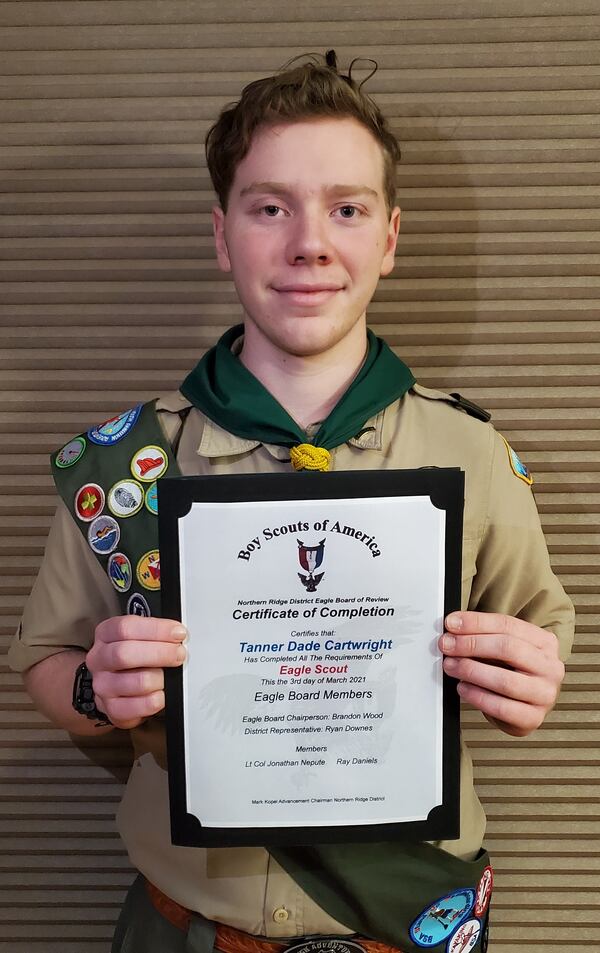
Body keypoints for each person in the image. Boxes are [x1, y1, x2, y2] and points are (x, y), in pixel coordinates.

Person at [9, 51, 573, 953]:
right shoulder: (127, 462)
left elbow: (543, 640)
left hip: (404, 919)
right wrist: (95, 686)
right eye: (270, 207)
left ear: (388, 239)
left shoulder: (474, 455)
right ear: (223, 236)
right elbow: (46, 661)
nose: (309, 241)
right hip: (187, 922)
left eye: (346, 208)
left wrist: (527, 677)